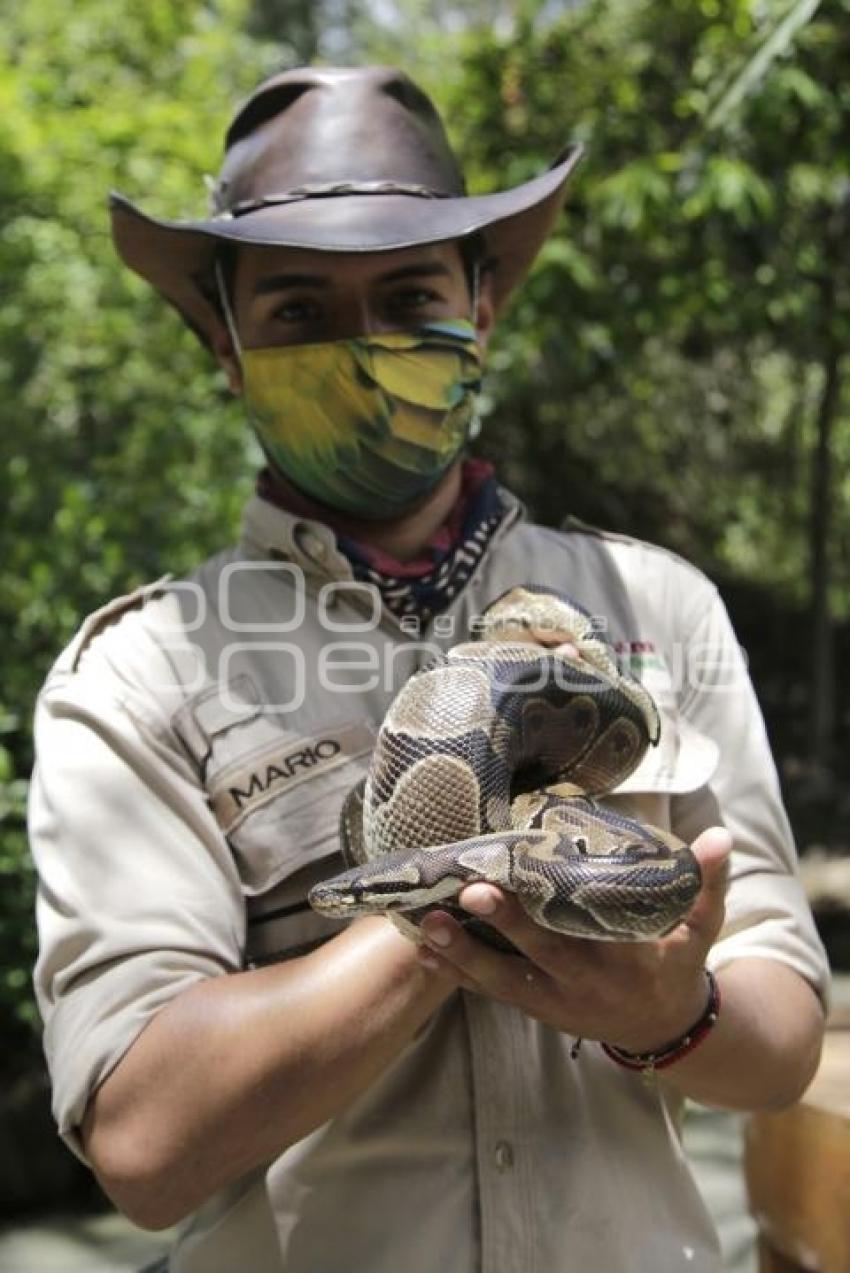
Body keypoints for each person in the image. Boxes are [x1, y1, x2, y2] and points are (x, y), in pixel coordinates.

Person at [28, 65, 827, 1273]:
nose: (361, 347)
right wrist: (465, 899)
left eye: (408, 296)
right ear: (225, 345)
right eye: (299, 312)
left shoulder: (656, 604)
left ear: (481, 309)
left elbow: (780, 1036)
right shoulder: (137, 672)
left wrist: (676, 1018)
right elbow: (143, 1142)